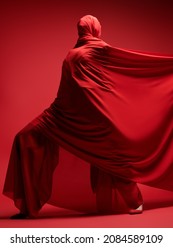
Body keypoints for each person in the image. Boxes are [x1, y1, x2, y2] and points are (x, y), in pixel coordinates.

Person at [3, 15, 173, 219]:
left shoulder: (87, 53)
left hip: (85, 118)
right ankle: (133, 202)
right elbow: (70, 93)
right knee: (112, 153)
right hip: (71, 119)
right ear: (95, 30)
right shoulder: (96, 52)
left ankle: (28, 206)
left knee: (110, 154)